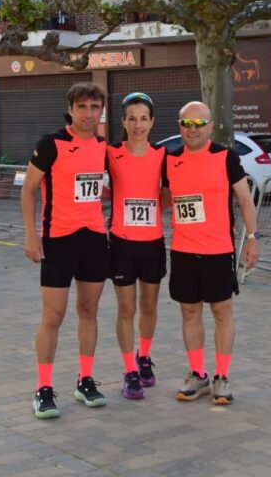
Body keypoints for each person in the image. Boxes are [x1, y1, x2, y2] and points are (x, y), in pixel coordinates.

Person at [162, 101, 260, 405]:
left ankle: (221, 377)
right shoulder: (170, 160)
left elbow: (245, 199)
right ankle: (197, 373)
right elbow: (160, 198)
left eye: (199, 123)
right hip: (183, 250)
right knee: (189, 312)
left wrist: (252, 237)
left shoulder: (225, 157)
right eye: (186, 123)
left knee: (222, 312)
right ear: (179, 126)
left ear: (210, 126)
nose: (192, 129)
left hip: (218, 250)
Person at [21, 82, 109, 419]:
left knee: (89, 312)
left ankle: (85, 380)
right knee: (53, 316)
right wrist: (32, 236)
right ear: (71, 109)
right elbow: (28, 191)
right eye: (83, 107)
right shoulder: (52, 143)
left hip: (93, 240)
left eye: (95, 107)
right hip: (58, 240)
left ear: (102, 111)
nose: (89, 113)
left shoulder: (103, 146)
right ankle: (43, 388)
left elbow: (99, 189)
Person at [106, 92, 166, 399]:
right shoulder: (111, 152)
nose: (137, 124)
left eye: (143, 118)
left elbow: (169, 194)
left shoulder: (162, 155)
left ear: (152, 122)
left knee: (149, 307)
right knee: (126, 309)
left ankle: (144, 357)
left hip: (153, 243)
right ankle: (129, 369)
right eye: (132, 118)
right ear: (123, 121)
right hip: (122, 244)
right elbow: (94, 183)